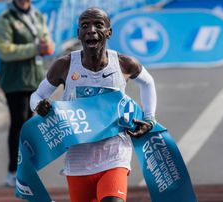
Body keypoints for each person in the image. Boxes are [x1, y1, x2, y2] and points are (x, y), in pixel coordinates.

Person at [30, 7, 156, 202]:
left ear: (109, 32)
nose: (91, 30)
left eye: (98, 25)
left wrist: (149, 118)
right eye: (85, 26)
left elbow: (147, 83)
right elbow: (36, 96)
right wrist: (39, 106)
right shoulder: (64, 65)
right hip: (78, 158)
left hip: (115, 155)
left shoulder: (123, 64)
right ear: (78, 33)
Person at [0, 0, 54, 187]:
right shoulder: (5, 18)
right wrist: (35, 49)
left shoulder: (36, 15)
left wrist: (48, 46)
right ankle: (13, 170)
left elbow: (46, 39)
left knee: (31, 124)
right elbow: (5, 50)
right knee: (18, 123)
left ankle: (27, 168)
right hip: (15, 80)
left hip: (34, 79)